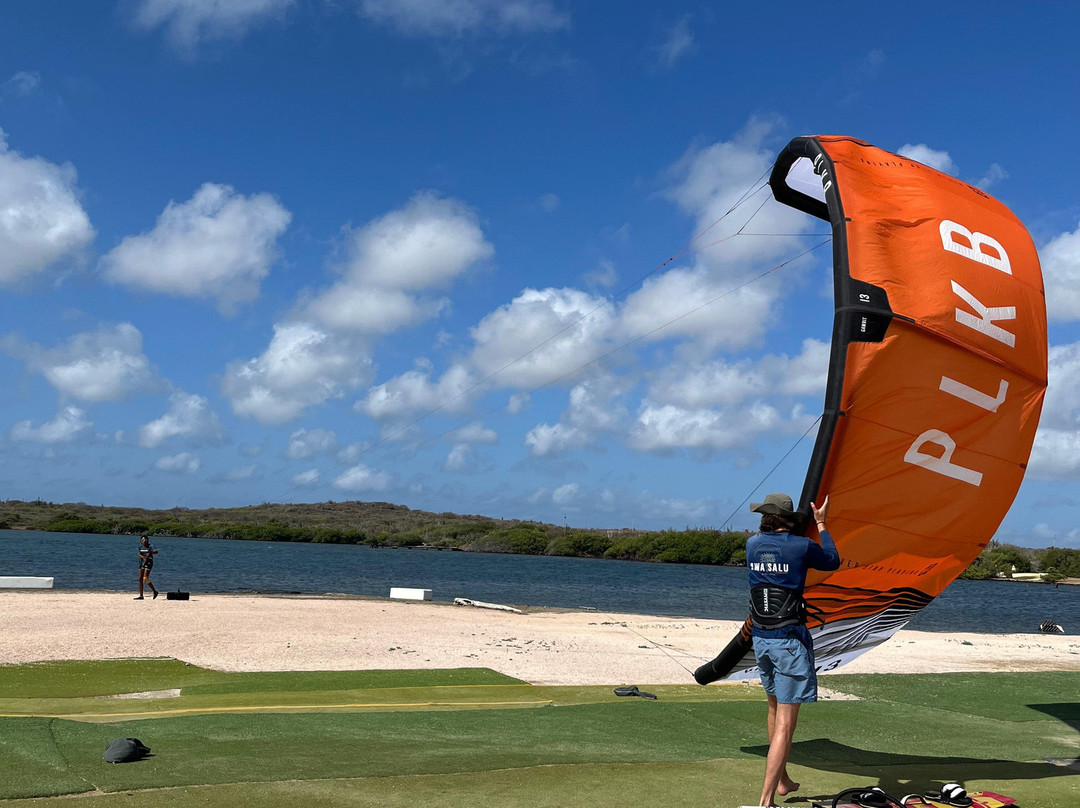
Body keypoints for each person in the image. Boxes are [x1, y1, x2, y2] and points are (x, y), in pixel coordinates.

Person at [746, 492, 840, 807]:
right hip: (789, 641)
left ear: (765, 518)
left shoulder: (752, 545)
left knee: (774, 709)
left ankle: (782, 779)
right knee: (786, 722)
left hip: (761, 639)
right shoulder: (802, 546)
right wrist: (822, 524)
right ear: (790, 521)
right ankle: (765, 801)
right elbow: (832, 560)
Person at [135, 535, 158, 600]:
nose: (144, 541)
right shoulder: (140, 547)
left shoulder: (150, 546)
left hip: (149, 563)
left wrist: (150, 553)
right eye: (142, 540)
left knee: (145, 578)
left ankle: (154, 591)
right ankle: (141, 595)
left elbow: (156, 552)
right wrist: (142, 557)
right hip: (142, 563)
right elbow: (139, 554)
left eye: (145, 540)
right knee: (140, 579)